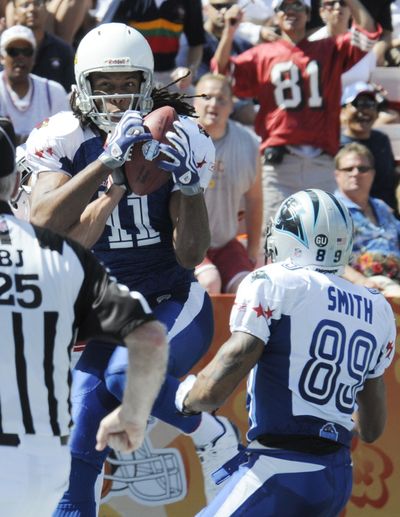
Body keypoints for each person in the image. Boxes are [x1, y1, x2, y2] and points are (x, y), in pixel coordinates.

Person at [26, 23, 240, 513]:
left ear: (146, 84)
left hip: (170, 299)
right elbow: (44, 226)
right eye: (106, 83)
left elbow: (191, 255)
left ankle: (212, 433)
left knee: (129, 374)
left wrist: (187, 186)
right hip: (105, 316)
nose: (118, 96)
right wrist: (106, 163)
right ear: (84, 84)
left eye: (128, 84)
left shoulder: (183, 135)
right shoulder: (62, 136)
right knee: (74, 445)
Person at [176, 188, 396, 517]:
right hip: (336, 475)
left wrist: (187, 398)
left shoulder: (277, 282)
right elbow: (372, 427)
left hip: (282, 469)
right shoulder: (377, 307)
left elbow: (222, 378)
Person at [0, 117, 169, 517]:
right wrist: (133, 412)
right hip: (39, 466)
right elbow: (149, 337)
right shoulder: (58, 257)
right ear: (11, 185)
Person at [211, 0, 380, 222]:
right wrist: (229, 32)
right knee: (276, 239)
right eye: (284, 7)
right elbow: (222, 75)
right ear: (276, 16)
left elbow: (367, 35)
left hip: (322, 162)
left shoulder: (329, 48)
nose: (291, 11)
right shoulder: (262, 54)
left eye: (298, 6)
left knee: (323, 236)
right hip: (279, 165)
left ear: (309, 14)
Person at [193, 73, 263, 294]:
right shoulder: (178, 138)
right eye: (206, 97)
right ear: (194, 102)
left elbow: (254, 199)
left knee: (248, 288)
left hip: (225, 240)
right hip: (185, 241)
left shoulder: (248, 143)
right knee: (210, 281)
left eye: (222, 99)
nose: (213, 104)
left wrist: (252, 250)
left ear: (232, 106)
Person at [334, 142, 400, 297]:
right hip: (360, 289)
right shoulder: (332, 210)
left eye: (362, 169)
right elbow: (327, 258)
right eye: (348, 169)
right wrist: (361, 281)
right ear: (337, 174)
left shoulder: (381, 206)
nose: (355, 173)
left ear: (372, 174)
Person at [110, 0, 205, 95]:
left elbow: (196, 42)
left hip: (170, 75)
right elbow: (109, 35)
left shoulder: (190, 2)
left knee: (196, 102)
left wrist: (189, 71)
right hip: (131, 72)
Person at [0, 24, 69, 144]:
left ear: (34, 58)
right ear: (2, 57)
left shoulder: (54, 92)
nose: (20, 57)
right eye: (13, 51)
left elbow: (65, 140)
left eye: (27, 51)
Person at [340, 81, 399, 212]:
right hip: (350, 218)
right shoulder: (335, 145)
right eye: (358, 104)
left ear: (378, 113)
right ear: (343, 111)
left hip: (388, 219)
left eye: (371, 104)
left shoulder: (382, 140)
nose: (365, 110)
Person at [309, 0, 387, 87]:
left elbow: (368, 32)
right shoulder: (312, 44)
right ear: (321, 12)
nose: (338, 7)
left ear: (351, 11)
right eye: (331, 3)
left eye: (343, 3)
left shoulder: (360, 43)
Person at [11, 0, 75, 92]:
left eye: (38, 3)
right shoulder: (6, 49)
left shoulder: (63, 50)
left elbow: (71, 93)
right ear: (15, 13)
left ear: (46, 9)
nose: (32, 9)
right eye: (25, 5)